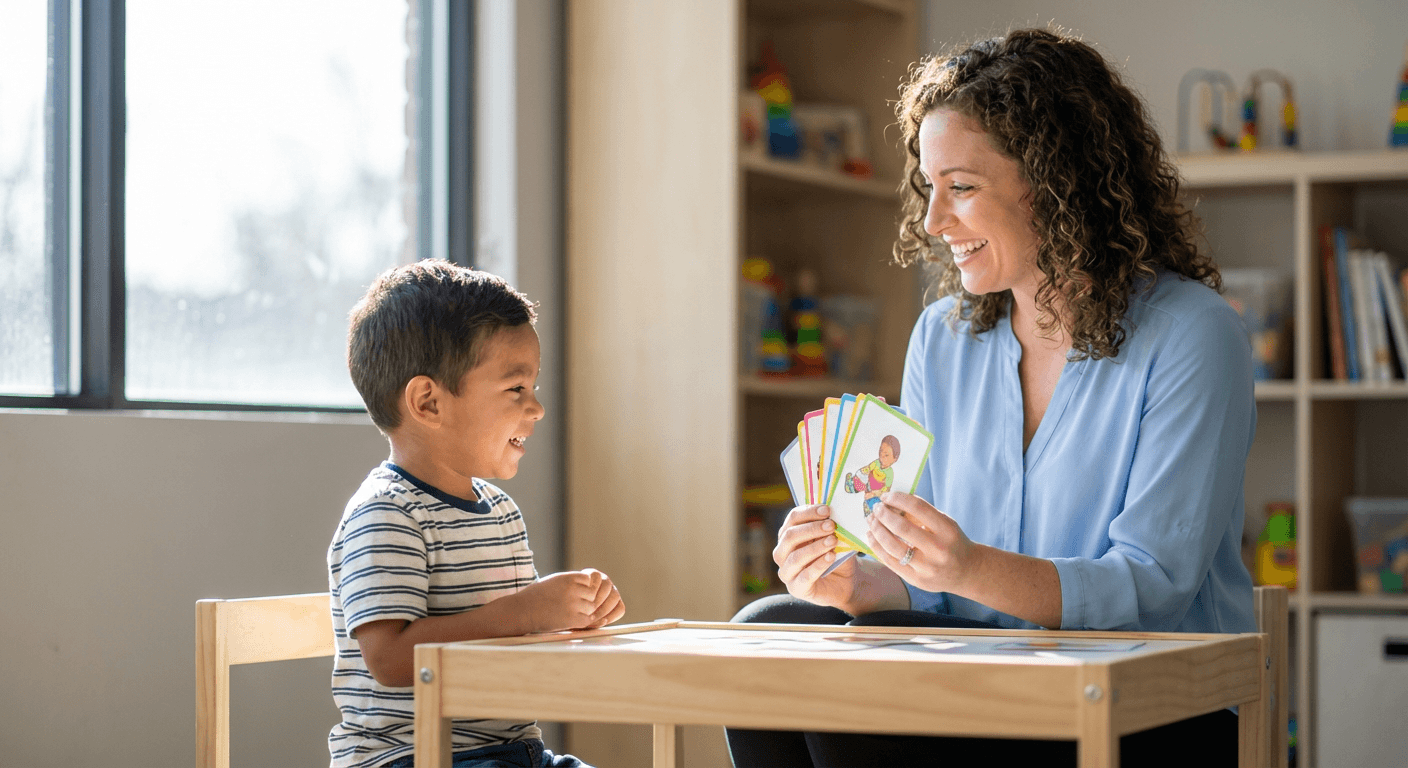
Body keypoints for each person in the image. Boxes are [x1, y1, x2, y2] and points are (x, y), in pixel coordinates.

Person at [727, 27, 1256, 768]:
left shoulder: (1193, 335)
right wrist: (861, 581)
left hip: (1147, 697)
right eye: (930, 188)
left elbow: (1154, 585)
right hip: (986, 672)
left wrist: (968, 568)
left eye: (962, 188)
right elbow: (931, 588)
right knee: (772, 627)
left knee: (859, 700)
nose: (935, 222)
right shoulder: (943, 338)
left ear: (1059, 183)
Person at [328, 260, 625, 768]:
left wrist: (572, 616)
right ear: (428, 402)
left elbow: (513, 636)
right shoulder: (385, 513)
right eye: (516, 388)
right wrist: (529, 610)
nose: (536, 408)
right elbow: (393, 660)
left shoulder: (501, 512)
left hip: (517, 753)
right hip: (414, 757)